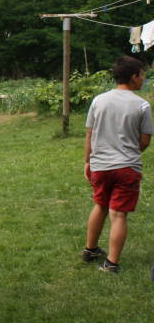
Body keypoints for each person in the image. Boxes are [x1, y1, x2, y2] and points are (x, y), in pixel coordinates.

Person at [82, 55, 152, 273]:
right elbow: (145, 140)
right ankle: (111, 263)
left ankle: (90, 250)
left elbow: (90, 134)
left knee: (100, 205)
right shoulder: (142, 105)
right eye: (142, 75)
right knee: (119, 214)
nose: (144, 79)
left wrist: (88, 161)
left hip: (100, 166)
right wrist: (129, 153)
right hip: (127, 168)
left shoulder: (98, 101)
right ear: (133, 77)